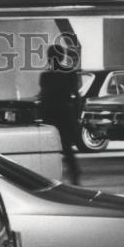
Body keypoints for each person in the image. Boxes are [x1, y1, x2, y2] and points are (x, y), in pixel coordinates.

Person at [38, 43, 82, 184]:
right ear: (63, 56)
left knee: (51, 147)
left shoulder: (46, 76)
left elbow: (43, 97)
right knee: (66, 147)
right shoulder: (70, 73)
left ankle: (50, 176)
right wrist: (77, 116)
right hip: (65, 113)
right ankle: (74, 175)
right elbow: (76, 97)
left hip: (51, 114)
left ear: (49, 57)